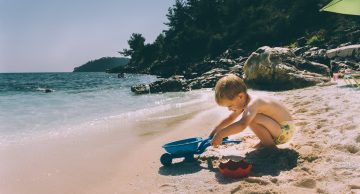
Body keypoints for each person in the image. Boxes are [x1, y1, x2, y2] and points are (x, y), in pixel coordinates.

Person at [209, 74, 294, 148]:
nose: (229, 109)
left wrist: (221, 134)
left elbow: (242, 125)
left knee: (251, 119)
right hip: (277, 128)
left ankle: (270, 147)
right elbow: (231, 118)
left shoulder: (253, 103)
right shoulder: (243, 101)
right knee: (252, 117)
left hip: (285, 131)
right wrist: (216, 130)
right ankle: (264, 142)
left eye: (230, 106)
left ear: (240, 96)